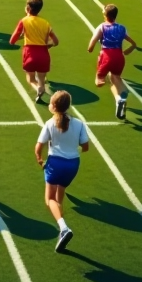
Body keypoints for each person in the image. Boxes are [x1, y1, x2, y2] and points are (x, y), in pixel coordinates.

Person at [35, 90, 89, 253]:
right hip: (72, 165)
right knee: (61, 191)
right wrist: (72, 150)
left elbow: (38, 147)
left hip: (55, 163)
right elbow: (85, 147)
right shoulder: (79, 124)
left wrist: (39, 159)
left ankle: (63, 227)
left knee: (49, 199)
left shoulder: (50, 124)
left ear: (54, 107)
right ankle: (61, 223)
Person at [87, 4, 137, 119]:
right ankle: (120, 98)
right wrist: (128, 50)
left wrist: (90, 49)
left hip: (106, 56)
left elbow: (93, 41)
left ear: (105, 15)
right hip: (119, 56)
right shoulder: (121, 28)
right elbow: (133, 43)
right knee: (115, 78)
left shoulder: (102, 27)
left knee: (99, 81)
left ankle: (119, 98)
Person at [10, 0, 58, 103]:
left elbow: (13, 38)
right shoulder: (45, 23)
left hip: (30, 53)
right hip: (43, 54)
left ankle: (38, 89)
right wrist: (48, 45)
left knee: (30, 79)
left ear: (27, 8)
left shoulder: (24, 21)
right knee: (41, 79)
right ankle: (41, 87)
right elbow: (56, 41)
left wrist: (14, 41)